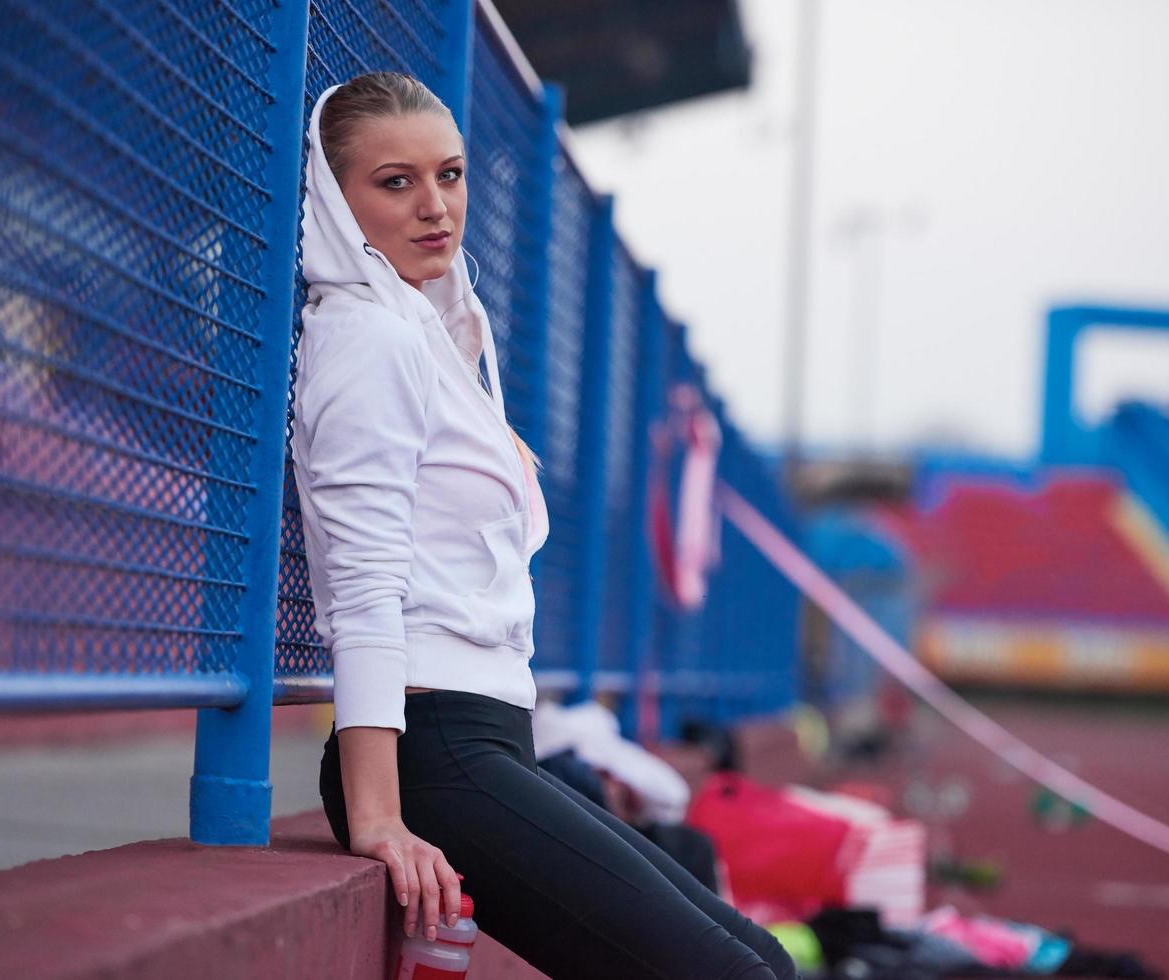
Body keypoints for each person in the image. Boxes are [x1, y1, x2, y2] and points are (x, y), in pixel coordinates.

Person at [291, 70, 796, 980]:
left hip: (488, 738)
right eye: (394, 182)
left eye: (448, 174)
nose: (434, 205)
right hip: (431, 751)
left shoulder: (434, 339)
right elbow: (362, 589)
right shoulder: (369, 340)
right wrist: (377, 817)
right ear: (335, 199)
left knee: (761, 958)